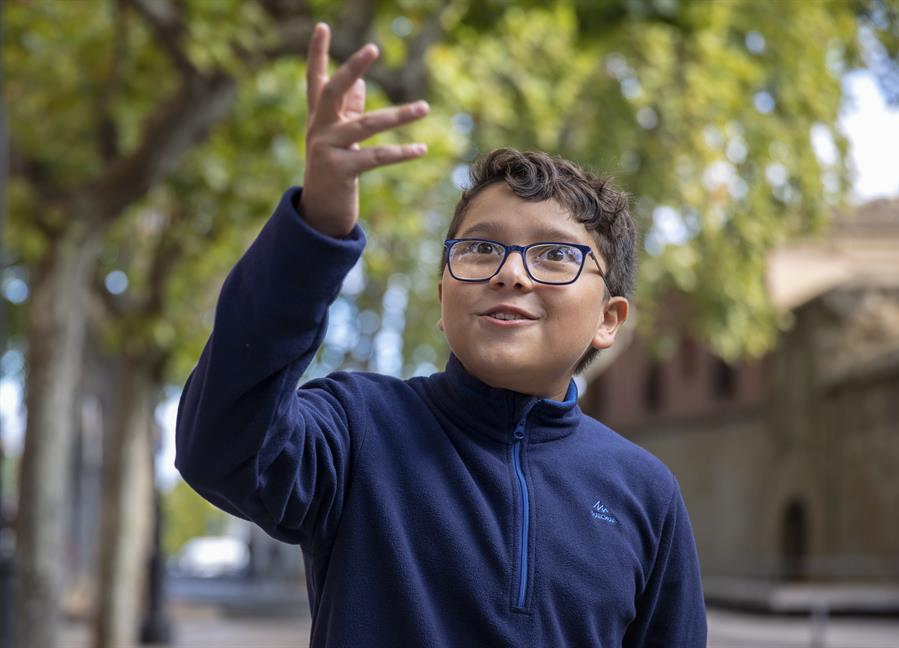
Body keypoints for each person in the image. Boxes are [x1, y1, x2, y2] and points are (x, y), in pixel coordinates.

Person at [176, 22, 706, 647]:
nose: (510, 273)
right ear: (441, 298)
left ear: (608, 320)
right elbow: (222, 449)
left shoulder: (645, 493)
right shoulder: (356, 429)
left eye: (556, 256)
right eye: (481, 248)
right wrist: (316, 225)